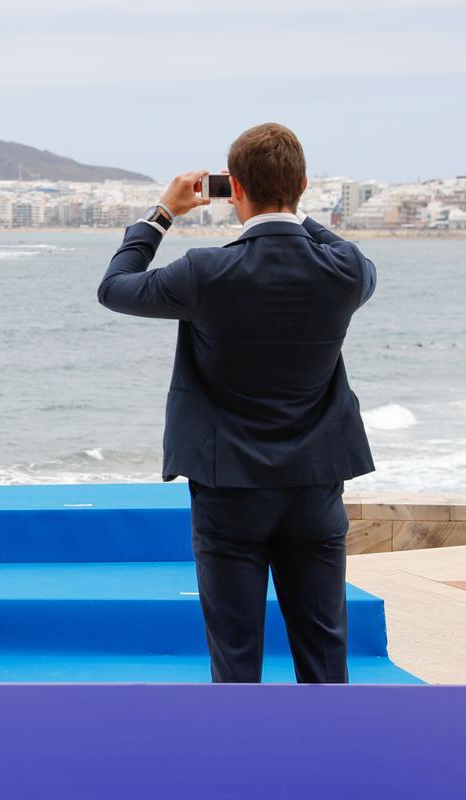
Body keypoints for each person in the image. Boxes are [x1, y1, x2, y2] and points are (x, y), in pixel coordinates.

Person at [97, 123, 376, 684]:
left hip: (229, 486)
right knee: (325, 651)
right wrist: (289, 208)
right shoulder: (346, 271)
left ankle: (244, 764)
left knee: (236, 651)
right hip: (315, 482)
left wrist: (161, 214)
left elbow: (116, 286)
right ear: (301, 185)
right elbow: (334, 244)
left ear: (235, 189)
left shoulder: (206, 272)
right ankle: (335, 761)